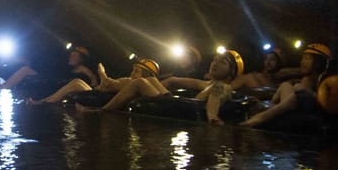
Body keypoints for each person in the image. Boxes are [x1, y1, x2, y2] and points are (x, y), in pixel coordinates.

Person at [79, 50, 244, 125]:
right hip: (177, 103)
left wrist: (212, 116)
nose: (215, 63)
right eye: (216, 59)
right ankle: (108, 84)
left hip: (185, 109)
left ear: (231, 73)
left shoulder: (223, 86)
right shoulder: (207, 84)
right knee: (149, 79)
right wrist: (157, 86)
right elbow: (173, 80)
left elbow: (216, 96)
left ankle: (101, 111)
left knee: (140, 82)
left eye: (222, 62)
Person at [240, 72, 338, 128]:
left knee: (295, 87)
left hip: (306, 97)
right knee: (289, 86)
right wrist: (245, 125)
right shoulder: (300, 100)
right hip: (293, 97)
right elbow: (267, 115)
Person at [26, 45, 100, 104]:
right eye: (71, 55)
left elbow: (93, 83)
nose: (71, 57)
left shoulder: (84, 70)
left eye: (75, 56)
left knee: (75, 82)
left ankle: (43, 102)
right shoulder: (70, 70)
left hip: (85, 94)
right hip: (71, 95)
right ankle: (43, 101)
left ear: (82, 59)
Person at [95, 57, 160, 93]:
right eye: (133, 70)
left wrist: (102, 73)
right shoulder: (129, 81)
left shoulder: (132, 83)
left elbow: (107, 84)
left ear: (146, 76)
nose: (132, 73)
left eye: (136, 71)